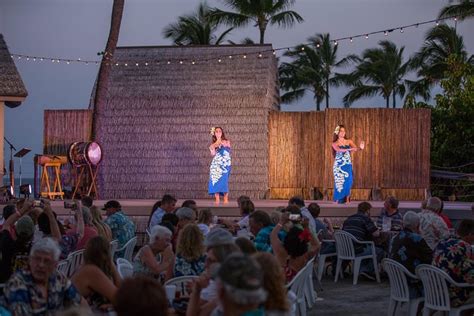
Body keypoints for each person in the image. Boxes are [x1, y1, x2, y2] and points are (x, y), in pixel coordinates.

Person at [3, 237, 83, 315]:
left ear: (55, 264)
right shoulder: (18, 282)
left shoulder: (59, 278)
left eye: (47, 261)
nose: (41, 265)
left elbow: (80, 303)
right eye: (37, 259)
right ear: (30, 260)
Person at [390, 211, 432, 298]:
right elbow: (431, 258)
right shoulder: (416, 238)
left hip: (397, 282)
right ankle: (421, 310)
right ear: (417, 225)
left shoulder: (394, 238)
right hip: (412, 282)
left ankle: (417, 311)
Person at [72, 236, 120, 311]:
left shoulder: (86, 268)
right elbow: (121, 299)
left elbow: (122, 293)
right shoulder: (90, 271)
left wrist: (111, 265)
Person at [433, 219, 474, 307]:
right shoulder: (464, 246)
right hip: (450, 296)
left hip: (434, 293)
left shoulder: (443, 242)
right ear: (470, 234)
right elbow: (470, 276)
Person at [271, 212, 320, 283]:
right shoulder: (305, 255)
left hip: (282, 289)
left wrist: (281, 222)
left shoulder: (281, 253)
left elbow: (273, 235)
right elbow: (316, 245)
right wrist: (306, 227)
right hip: (296, 288)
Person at [342, 202, 383, 280]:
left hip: (345, 250)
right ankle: (366, 270)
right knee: (380, 251)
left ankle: (362, 269)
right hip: (357, 250)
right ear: (367, 211)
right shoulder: (365, 218)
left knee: (367, 247)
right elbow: (376, 234)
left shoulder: (349, 218)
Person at [0, 201, 35, 283]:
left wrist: (23, 210)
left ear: (15, 231)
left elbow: (7, 224)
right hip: (28, 290)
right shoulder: (36, 250)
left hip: (5, 288)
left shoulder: (7, 244)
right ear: (32, 235)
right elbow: (57, 239)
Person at [331, 124, 364, 204]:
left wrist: (360, 148)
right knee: (339, 183)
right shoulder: (334, 143)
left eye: (344, 131)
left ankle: (347, 199)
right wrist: (349, 149)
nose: (343, 132)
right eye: (341, 131)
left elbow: (355, 149)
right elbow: (339, 150)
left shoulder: (349, 141)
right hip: (339, 166)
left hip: (347, 165)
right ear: (337, 133)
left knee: (348, 182)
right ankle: (338, 200)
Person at [208, 126, 231, 204]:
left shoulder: (226, 141)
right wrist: (212, 148)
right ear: (214, 133)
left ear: (222, 133)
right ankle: (217, 199)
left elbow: (227, 147)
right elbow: (213, 154)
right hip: (216, 163)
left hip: (225, 163)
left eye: (219, 131)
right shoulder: (213, 144)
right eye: (216, 132)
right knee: (215, 179)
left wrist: (218, 142)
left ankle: (225, 198)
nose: (218, 133)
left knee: (224, 181)